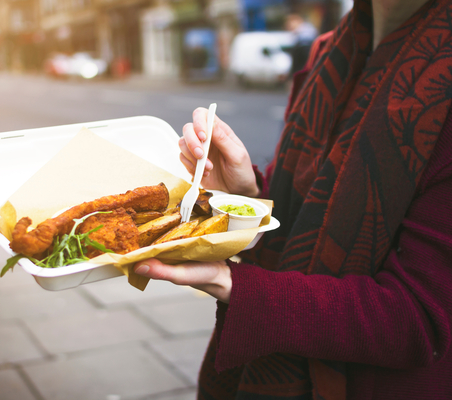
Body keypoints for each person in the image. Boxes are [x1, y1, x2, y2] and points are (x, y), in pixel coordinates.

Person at [134, 0, 452, 399]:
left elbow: (418, 319)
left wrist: (231, 283)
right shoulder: (326, 56)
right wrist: (249, 194)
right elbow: (312, 216)